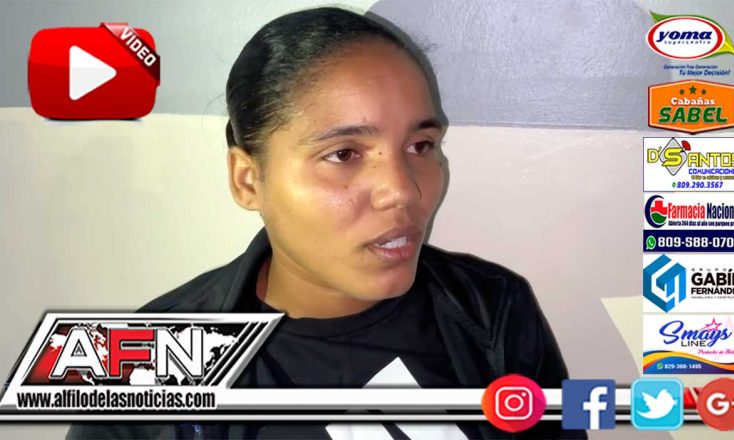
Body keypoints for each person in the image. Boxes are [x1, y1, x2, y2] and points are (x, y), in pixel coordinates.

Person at [69, 7, 583, 440]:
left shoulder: (493, 306)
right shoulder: (145, 367)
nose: (404, 190)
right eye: (343, 154)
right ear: (248, 180)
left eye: (420, 146)